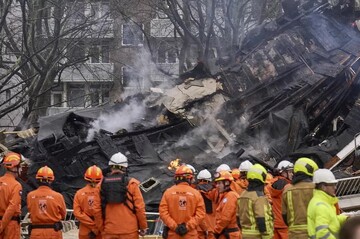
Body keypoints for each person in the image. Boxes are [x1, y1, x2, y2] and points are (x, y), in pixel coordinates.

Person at [98, 152, 148, 239]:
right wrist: (143, 227)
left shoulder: (101, 185)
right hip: (129, 231)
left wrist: (102, 228)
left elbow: (96, 209)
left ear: (111, 167)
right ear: (125, 167)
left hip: (109, 230)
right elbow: (139, 208)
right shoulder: (132, 183)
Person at [159, 164, 205, 239]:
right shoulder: (196, 194)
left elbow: (163, 212)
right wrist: (187, 227)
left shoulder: (168, 192)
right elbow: (200, 214)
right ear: (190, 178)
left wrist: (175, 227)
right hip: (190, 235)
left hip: (172, 235)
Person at [282, 157, 318, 239]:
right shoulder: (316, 188)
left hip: (294, 234)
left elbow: (284, 215)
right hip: (314, 233)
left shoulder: (287, 190)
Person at [27, 166, 67, 239]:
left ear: (38, 179)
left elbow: (30, 210)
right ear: (51, 180)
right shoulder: (58, 196)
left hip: (36, 233)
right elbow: (63, 215)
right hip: (53, 233)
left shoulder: (30, 196)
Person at [307, 169, 348, 239]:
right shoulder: (321, 206)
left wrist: (347, 217)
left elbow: (331, 221)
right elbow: (322, 233)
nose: (335, 187)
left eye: (335, 185)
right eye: (332, 185)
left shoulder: (320, 201)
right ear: (323, 187)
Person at [237, 164, 273, 239]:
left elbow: (237, 217)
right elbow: (262, 219)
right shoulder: (259, 197)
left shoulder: (242, 195)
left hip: (244, 235)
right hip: (257, 235)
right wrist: (268, 236)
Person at [73, 165, 103, 239]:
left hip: (85, 230)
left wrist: (91, 226)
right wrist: (97, 227)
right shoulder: (104, 193)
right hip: (101, 230)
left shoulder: (79, 193)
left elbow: (77, 213)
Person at [267, 160, 293, 239]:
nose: (292, 174)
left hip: (273, 224)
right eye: (290, 172)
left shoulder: (270, 184)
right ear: (283, 173)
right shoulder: (287, 186)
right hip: (285, 224)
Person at [0, 152, 23, 239]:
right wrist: (2, 226)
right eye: (19, 166)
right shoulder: (16, 185)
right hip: (10, 225)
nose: (21, 169)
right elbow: (12, 208)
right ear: (14, 167)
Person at [213, 171, 241, 239]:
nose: (217, 186)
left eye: (219, 183)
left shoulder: (231, 196)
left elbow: (225, 218)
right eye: (217, 183)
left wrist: (216, 231)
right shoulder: (227, 196)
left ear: (227, 183)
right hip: (228, 234)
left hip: (229, 235)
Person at [196, 169, 216, 239]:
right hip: (212, 226)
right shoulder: (216, 191)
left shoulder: (194, 192)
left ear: (198, 180)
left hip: (198, 227)